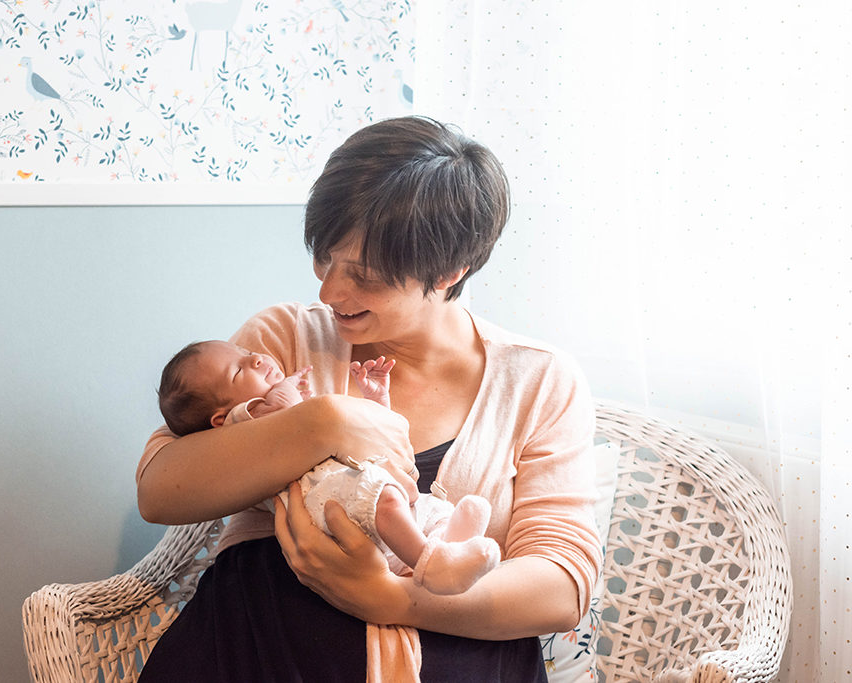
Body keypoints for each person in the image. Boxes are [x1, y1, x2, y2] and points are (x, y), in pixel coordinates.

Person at [136, 116, 601, 682]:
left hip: (458, 647)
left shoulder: (539, 383)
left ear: (451, 271)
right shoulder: (283, 340)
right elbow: (161, 490)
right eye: (324, 259)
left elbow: (561, 586)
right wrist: (324, 421)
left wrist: (391, 598)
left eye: (367, 277)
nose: (330, 292)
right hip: (259, 639)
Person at [156, 340, 502, 595]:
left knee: (425, 506)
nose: (257, 358)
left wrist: (377, 400)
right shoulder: (241, 420)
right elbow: (293, 415)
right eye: (240, 368)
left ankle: (446, 542)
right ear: (218, 418)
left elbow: (376, 434)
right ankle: (431, 563)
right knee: (387, 501)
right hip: (324, 500)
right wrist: (287, 387)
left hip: (348, 485)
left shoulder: (281, 404)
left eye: (247, 353)